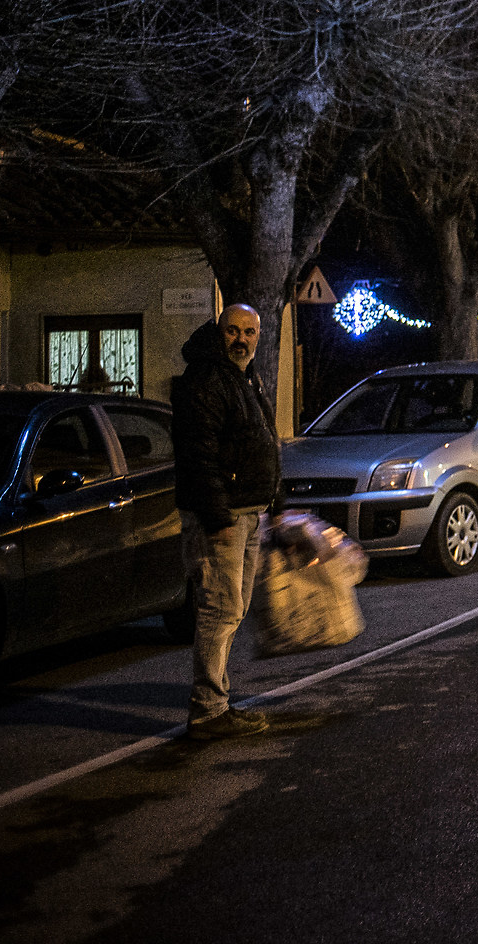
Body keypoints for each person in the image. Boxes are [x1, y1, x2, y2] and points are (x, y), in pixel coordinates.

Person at [172, 303, 281, 740]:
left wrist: (276, 501)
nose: (242, 339)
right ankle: (208, 712)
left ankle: (217, 701)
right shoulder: (207, 380)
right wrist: (216, 516)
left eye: (250, 332)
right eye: (234, 331)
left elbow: (264, 443)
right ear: (221, 334)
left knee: (233, 609)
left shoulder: (244, 377)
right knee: (220, 609)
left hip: (248, 512)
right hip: (224, 517)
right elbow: (199, 455)